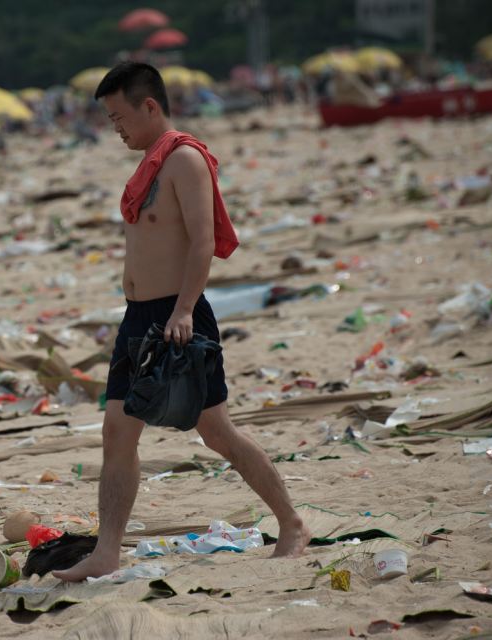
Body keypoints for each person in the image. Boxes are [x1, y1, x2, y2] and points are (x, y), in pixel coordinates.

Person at [53, 62, 310, 582]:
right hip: (139, 319)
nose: (115, 127)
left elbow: (200, 242)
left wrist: (186, 310)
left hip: (178, 317)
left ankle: (292, 522)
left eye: (119, 116)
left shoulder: (185, 160)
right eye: (108, 119)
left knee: (217, 433)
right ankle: (107, 552)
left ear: (150, 106)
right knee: (116, 435)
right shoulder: (148, 163)